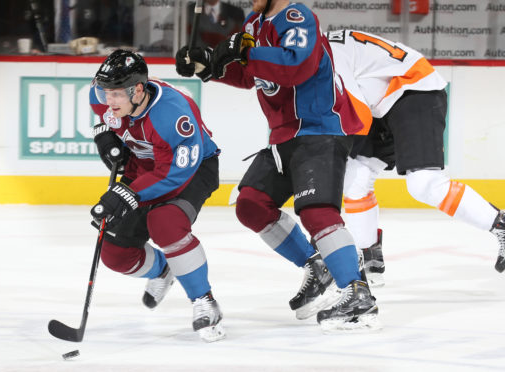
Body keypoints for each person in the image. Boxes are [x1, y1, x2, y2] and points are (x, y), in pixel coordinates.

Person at [176, 0, 380, 331]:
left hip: (320, 128)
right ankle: (318, 265)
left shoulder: (296, 17)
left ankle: (358, 294)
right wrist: (209, 66)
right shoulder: (254, 23)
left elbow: (295, 64)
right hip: (284, 136)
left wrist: (243, 52)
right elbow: (248, 75)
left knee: (316, 211)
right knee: (251, 205)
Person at [323, 29, 505, 286]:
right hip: (380, 103)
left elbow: (359, 117)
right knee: (355, 179)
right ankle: (370, 260)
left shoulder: (330, 56)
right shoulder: (319, 45)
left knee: (425, 184)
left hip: (412, 87)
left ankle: (501, 225)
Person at [88, 49, 225, 342]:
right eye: (105, 94)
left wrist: (128, 194)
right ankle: (164, 271)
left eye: (115, 95)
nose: (107, 102)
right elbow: (99, 109)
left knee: (164, 223)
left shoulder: (174, 115)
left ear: (138, 90)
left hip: (191, 169)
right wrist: (103, 136)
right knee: (115, 254)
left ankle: (204, 301)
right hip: (144, 165)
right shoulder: (106, 96)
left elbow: (174, 173)